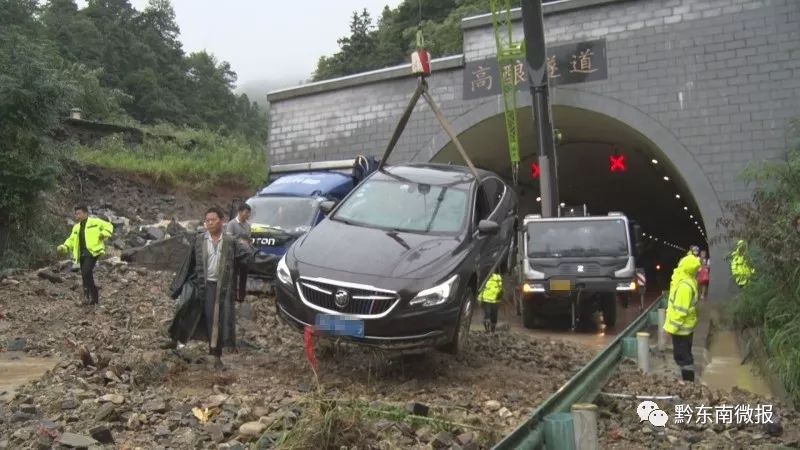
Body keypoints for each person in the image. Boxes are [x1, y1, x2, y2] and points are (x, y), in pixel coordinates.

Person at [162, 207, 255, 368]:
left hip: (219, 288)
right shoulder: (199, 240)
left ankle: (216, 356)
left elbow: (249, 258)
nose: (210, 223)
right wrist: (179, 286)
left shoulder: (230, 242)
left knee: (216, 320)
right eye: (207, 220)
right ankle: (174, 340)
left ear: (222, 222)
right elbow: (188, 264)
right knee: (184, 308)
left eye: (213, 220)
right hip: (199, 284)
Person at [57, 206, 114, 305]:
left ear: (85, 213)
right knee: (85, 275)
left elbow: (108, 226)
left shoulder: (94, 222)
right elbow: (71, 239)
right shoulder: (76, 227)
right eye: (76, 214)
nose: (77, 216)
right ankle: (91, 298)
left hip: (93, 251)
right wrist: (64, 246)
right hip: (81, 253)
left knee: (86, 271)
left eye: (79, 213)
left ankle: (90, 297)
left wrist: (104, 233)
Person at [663, 254, 702, 382]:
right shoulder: (687, 281)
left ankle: (689, 383)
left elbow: (680, 311)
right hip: (685, 328)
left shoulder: (684, 286)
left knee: (683, 356)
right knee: (683, 355)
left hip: (681, 329)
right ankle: (688, 380)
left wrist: (670, 329)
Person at [225, 203, 252, 303]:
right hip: (234, 254)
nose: (248, 215)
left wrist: (249, 242)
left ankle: (241, 296)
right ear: (240, 212)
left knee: (244, 276)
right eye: (246, 213)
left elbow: (248, 238)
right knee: (233, 276)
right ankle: (232, 296)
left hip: (245, 255)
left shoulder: (248, 225)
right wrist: (239, 240)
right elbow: (228, 238)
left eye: (249, 213)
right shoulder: (232, 224)